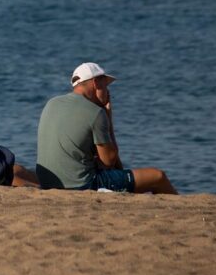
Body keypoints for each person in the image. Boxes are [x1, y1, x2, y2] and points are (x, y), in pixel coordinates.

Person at [35, 63, 177, 195]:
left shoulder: (51, 103)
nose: (108, 92)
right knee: (157, 177)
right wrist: (108, 119)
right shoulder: (95, 112)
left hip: (48, 182)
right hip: (81, 185)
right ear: (96, 83)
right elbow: (109, 161)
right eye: (106, 85)